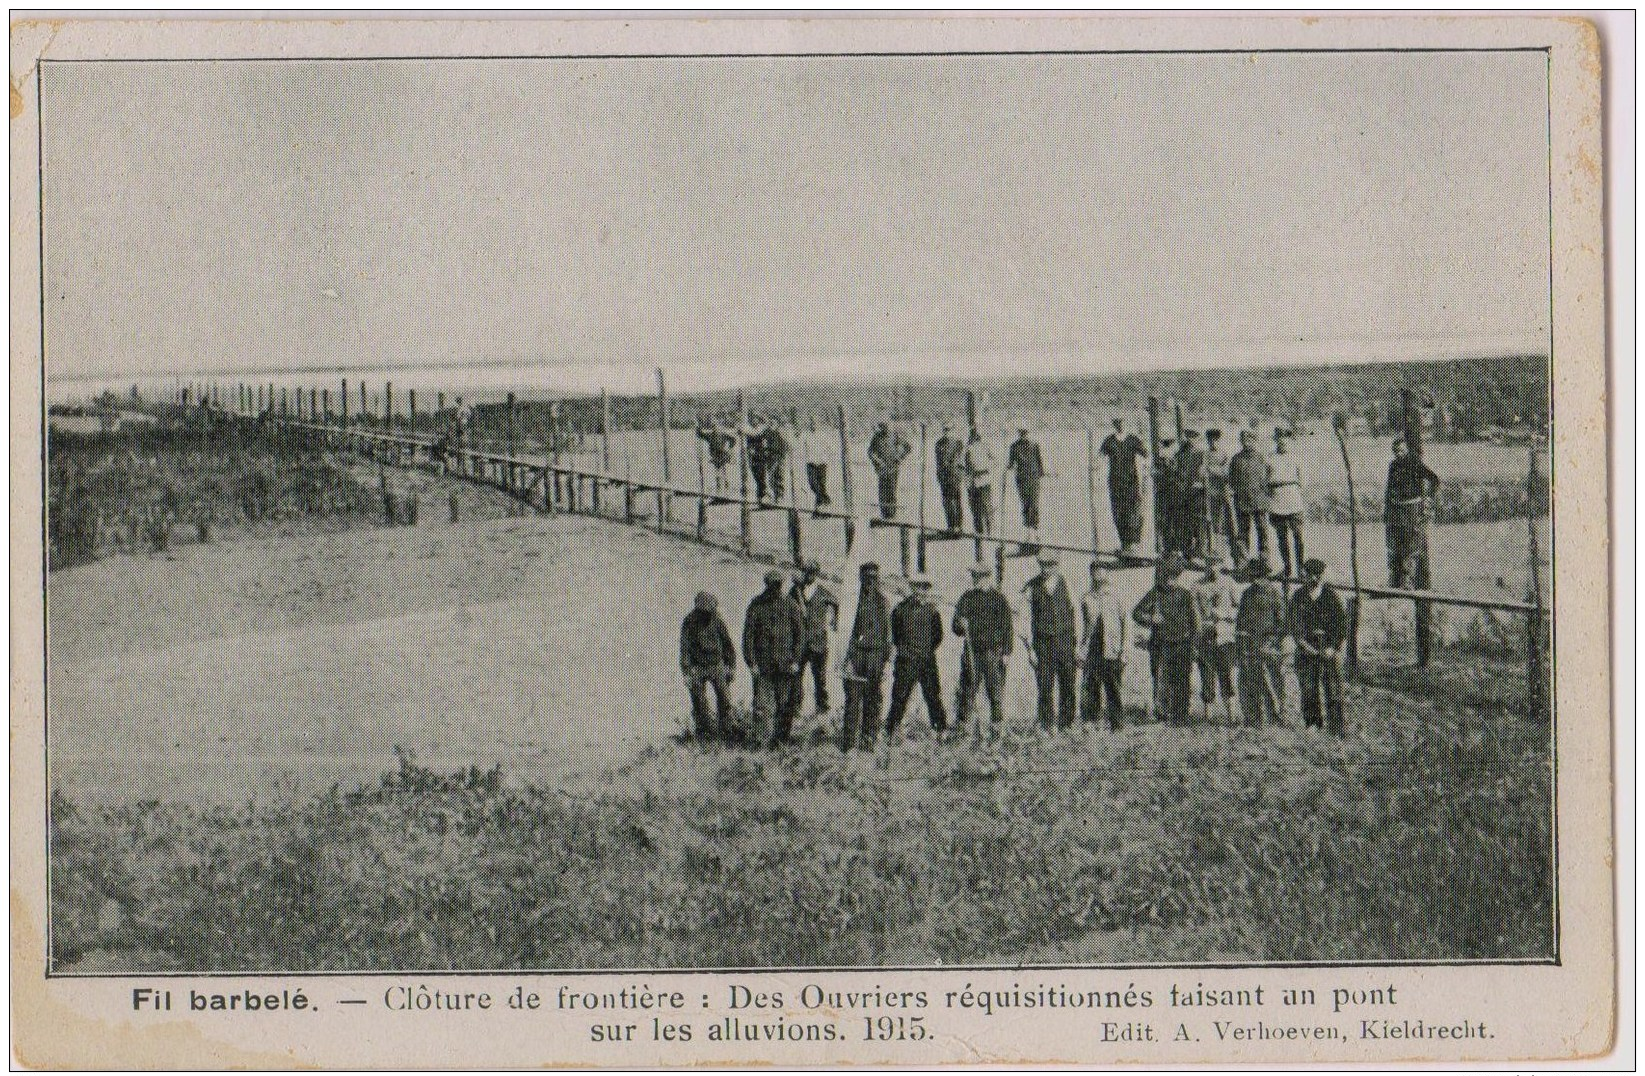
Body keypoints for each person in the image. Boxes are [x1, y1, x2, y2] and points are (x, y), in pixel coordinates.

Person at [1385, 436, 1440, 665]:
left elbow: (1435, 479)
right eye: (1396, 450)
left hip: (1412, 509)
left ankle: (1407, 580)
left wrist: (1427, 498)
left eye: (1401, 449)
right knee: (1395, 546)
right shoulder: (1393, 466)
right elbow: (1388, 489)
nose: (1398, 453)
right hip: (1396, 510)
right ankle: (1395, 579)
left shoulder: (1415, 462)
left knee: (1411, 547)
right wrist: (1387, 509)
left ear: (1407, 449)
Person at [1132, 554, 1199, 726]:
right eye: (1168, 576)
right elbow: (1137, 613)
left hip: (1183, 643)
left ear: (1178, 577)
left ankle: (1180, 715)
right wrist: (1150, 618)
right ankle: (1162, 714)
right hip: (1160, 644)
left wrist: (1193, 645)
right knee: (1161, 679)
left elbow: (1195, 623)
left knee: (1182, 679)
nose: (1170, 580)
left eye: (1174, 577)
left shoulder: (1186, 595)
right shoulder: (1156, 592)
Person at [742, 568, 805, 748]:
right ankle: (761, 744)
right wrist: (751, 663)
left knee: (785, 706)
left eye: (778, 585)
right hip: (763, 667)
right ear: (767, 585)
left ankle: (781, 742)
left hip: (786, 666)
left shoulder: (791, 605)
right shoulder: (756, 605)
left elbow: (800, 636)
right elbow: (748, 637)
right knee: (762, 707)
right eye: (772, 585)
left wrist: (795, 661)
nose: (775, 589)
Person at [952, 562, 1013, 736]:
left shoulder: (998, 599)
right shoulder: (967, 598)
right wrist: (960, 624)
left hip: (992, 654)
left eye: (979, 577)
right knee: (967, 690)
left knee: (995, 692)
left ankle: (997, 730)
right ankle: (963, 729)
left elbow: (1008, 627)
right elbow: (955, 627)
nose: (975, 580)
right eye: (974, 576)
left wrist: (1007, 652)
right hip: (972, 653)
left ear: (988, 577)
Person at [1288, 558, 1347, 735]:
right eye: (1308, 575)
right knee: (1308, 688)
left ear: (1322, 576)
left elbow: (1341, 625)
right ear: (1304, 576)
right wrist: (1303, 644)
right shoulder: (1298, 597)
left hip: (1328, 648)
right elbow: (1293, 624)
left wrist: (1333, 647)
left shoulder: (1331, 597)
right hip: (1306, 648)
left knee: (1333, 688)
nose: (1313, 579)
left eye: (1317, 576)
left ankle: (1336, 728)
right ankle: (1312, 723)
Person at [886, 576, 947, 739]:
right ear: (912, 588)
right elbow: (896, 636)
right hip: (906, 661)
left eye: (925, 588)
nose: (922, 592)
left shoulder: (933, 611)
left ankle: (940, 730)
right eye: (918, 588)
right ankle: (891, 731)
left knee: (933, 696)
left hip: (927, 661)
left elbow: (938, 637)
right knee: (899, 697)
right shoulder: (899, 610)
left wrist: (926, 651)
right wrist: (907, 651)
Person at [840, 562, 891, 752]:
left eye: (874, 578)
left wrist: (887, 662)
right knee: (853, 701)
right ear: (861, 579)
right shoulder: (852, 602)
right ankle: (849, 745)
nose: (871, 582)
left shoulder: (883, 602)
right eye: (867, 578)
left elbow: (888, 635)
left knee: (873, 700)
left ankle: (868, 742)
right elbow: (845, 632)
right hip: (856, 656)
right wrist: (847, 660)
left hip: (876, 657)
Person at [1025, 552, 1078, 730]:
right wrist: (1030, 649)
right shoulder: (1032, 586)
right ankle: (1046, 724)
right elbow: (1023, 618)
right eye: (1044, 565)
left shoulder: (1067, 583)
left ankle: (1067, 724)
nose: (1047, 569)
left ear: (1057, 565)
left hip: (1065, 642)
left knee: (1068, 684)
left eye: (1051, 565)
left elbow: (1076, 613)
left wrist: (1076, 644)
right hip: (1043, 644)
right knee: (1045, 686)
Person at [1234, 558, 1288, 727]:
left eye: (1257, 576)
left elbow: (1283, 624)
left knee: (1273, 681)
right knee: (1249, 681)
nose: (1255, 580)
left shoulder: (1275, 595)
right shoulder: (1247, 594)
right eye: (1253, 577)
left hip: (1269, 647)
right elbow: (1241, 621)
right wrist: (1241, 640)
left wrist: (1271, 642)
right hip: (1249, 646)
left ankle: (1277, 715)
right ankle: (1253, 718)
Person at [679, 591, 736, 741]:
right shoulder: (689, 622)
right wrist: (686, 673)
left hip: (716, 664)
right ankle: (704, 733)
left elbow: (728, 645)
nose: (706, 614)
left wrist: (731, 666)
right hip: (697, 666)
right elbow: (684, 649)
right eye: (703, 611)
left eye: (709, 611)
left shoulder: (717, 620)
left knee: (724, 699)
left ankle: (726, 731)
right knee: (698, 701)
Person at [1079, 561, 1128, 729]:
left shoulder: (1117, 595)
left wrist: (1125, 650)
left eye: (1102, 571)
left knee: (1113, 687)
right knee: (1091, 686)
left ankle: (1116, 724)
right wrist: (1081, 650)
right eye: (1095, 571)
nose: (1098, 574)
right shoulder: (1087, 598)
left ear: (1107, 573)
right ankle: (1091, 721)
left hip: (1112, 649)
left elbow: (1125, 623)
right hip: (1093, 649)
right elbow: (1084, 626)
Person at [1191, 558, 1240, 724]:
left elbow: (1239, 608)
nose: (1212, 568)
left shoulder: (1229, 583)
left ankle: (1231, 715)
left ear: (1221, 565)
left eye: (1216, 564)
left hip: (1225, 637)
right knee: (1206, 674)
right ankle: (1208, 716)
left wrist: (1225, 614)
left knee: (1226, 674)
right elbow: (1193, 612)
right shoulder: (1197, 586)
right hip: (1205, 637)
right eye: (1209, 564)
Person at [790, 559, 838, 716]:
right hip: (800, 642)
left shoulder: (823, 592)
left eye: (811, 573)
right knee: (796, 676)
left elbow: (836, 603)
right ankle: (796, 707)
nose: (807, 575)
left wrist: (834, 621)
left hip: (818, 642)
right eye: (805, 572)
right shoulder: (795, 591)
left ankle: (822, 707)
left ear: (816, 574)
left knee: (820, 677)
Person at [1100, 419, 1147, 554]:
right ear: (1114, 425)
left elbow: (1145, 454)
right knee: (1118, 513)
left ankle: (1133, 544)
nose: (1120, 425)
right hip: (1115, 483)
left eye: (1123, 423)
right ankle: (1124, 544)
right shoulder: (1109, 440)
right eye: (1118, 423)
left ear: (1126, 424)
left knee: (1133, 512)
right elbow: (1100, 455)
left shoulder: (1133, 440)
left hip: (1131, 482)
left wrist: (1145, 467)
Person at [1228, 428, 1272, 566]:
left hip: (1259, 500)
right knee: (1243, 531)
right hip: (1242, 500)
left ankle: (1264, 559)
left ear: (1255, 441)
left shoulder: (1261, 458)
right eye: (1244, 440)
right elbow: (1232, 479)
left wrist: (1264, 493)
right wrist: (1238, 492)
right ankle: (1243, 560)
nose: (1247, 443)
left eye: (1250, 440)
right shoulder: (1236, 459)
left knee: (1262, 531)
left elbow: (1269, 476)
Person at [1267, 427, 1306, 578]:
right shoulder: (1270, 458)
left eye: (1285, 438)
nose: (1282, 441)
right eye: (1279, 438)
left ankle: (1301, 569)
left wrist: (1296, 491)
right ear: (1276, 440)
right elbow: (1265, 480)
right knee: (1281, 537)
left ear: (1289, 440)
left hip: (1293, 500)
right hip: (1277, 500)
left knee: (1298, 536)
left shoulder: (1296, 457)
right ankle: (1287, 568)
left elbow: (1302, 480)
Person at [1006, 427, 1047, 539]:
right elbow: (1010, 464)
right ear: (1019, 434)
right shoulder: (1015, 446)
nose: (1024, 435)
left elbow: (1039, 461)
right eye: (1022, 433)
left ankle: (1035, 529)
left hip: (1031, 478)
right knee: (1027, 503)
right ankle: (1029, 530)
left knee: (1032, 504)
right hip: (1024, 479)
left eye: (1025, 433)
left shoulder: (1033, 445)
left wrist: (1041, 474)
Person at [1204, 428, 1237, 563]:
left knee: (1229, 522)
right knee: (1213, 522)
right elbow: (1202, 471)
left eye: (1216, 440)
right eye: (1211, 441)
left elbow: (1226, 473)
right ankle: (1215, 550)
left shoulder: (1224, 455)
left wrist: (1211, 469)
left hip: (1224, 493)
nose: (1213, 443)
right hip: (1211, 493)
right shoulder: (1205, 455)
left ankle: (1231, 552)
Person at [868, 422, 911, 520]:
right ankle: (884, 515)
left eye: (886, 426)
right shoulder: (876, 437)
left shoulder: (895, 436)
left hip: (893, 469)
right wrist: (877, 460)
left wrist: (899, 457)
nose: (884, 429)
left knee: (891, 491)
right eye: (882, 427)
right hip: (882, 469)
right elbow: (870, 451)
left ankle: (892, 516)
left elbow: (908, 447)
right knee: (882, 492)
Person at [963, 428, 997, 539]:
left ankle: (990, 530)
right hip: (973, 482)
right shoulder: (968, 449)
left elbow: (995, 461)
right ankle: (980, 531)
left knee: (986, 507)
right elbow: (962, 465)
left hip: (983, 481)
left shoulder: (984, 447)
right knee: (976, 508)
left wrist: (987, 469)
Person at [934, 424, 966, 532]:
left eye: (949, 430)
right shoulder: (939, 444)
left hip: (955, 476)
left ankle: (959, 526)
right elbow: (938, 461)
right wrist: (939, 475)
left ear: (953, 430)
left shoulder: (958, 443)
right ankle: (951, 526)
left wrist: (958, 474)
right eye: (945, 430)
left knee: (956, 500)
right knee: (947, 502)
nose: (947, 432)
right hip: (944, 477)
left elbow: (959, 460)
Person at [697, 421, 735, 493]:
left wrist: (729, 448)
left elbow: (733, 440)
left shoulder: (723, 434)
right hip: (715, 455)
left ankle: (726, 484)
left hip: (723, 454)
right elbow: (702, 435)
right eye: (714, 427)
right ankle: (720, 486)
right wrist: (698, 427)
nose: (716, 428)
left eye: (717, 427)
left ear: (720, 427)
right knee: (718, 470)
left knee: (723, 469)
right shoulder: (710, 435)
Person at [761, 419, 790, 503]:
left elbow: (786, 445)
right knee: (770, 477)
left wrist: (783, 455)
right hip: (770, 456)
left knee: (779, 475)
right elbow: (760, 437)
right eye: (770, 423)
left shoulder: (780, 432)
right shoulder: (766, 431)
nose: (771, 424)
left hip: (779, 456)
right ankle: (774, 495)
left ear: (777, 424)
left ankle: (780, 496)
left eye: (773, 423)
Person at [745, 416, 771, 502]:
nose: (754, 421)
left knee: (762, 476)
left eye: (756, 419)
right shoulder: (749, 430)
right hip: (753, 457)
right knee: (756, 476)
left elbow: (758, 435)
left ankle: (762, 496)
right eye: (753, 419)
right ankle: (761, 495)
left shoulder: (761, 430)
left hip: (761, 456)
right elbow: (749, 442)